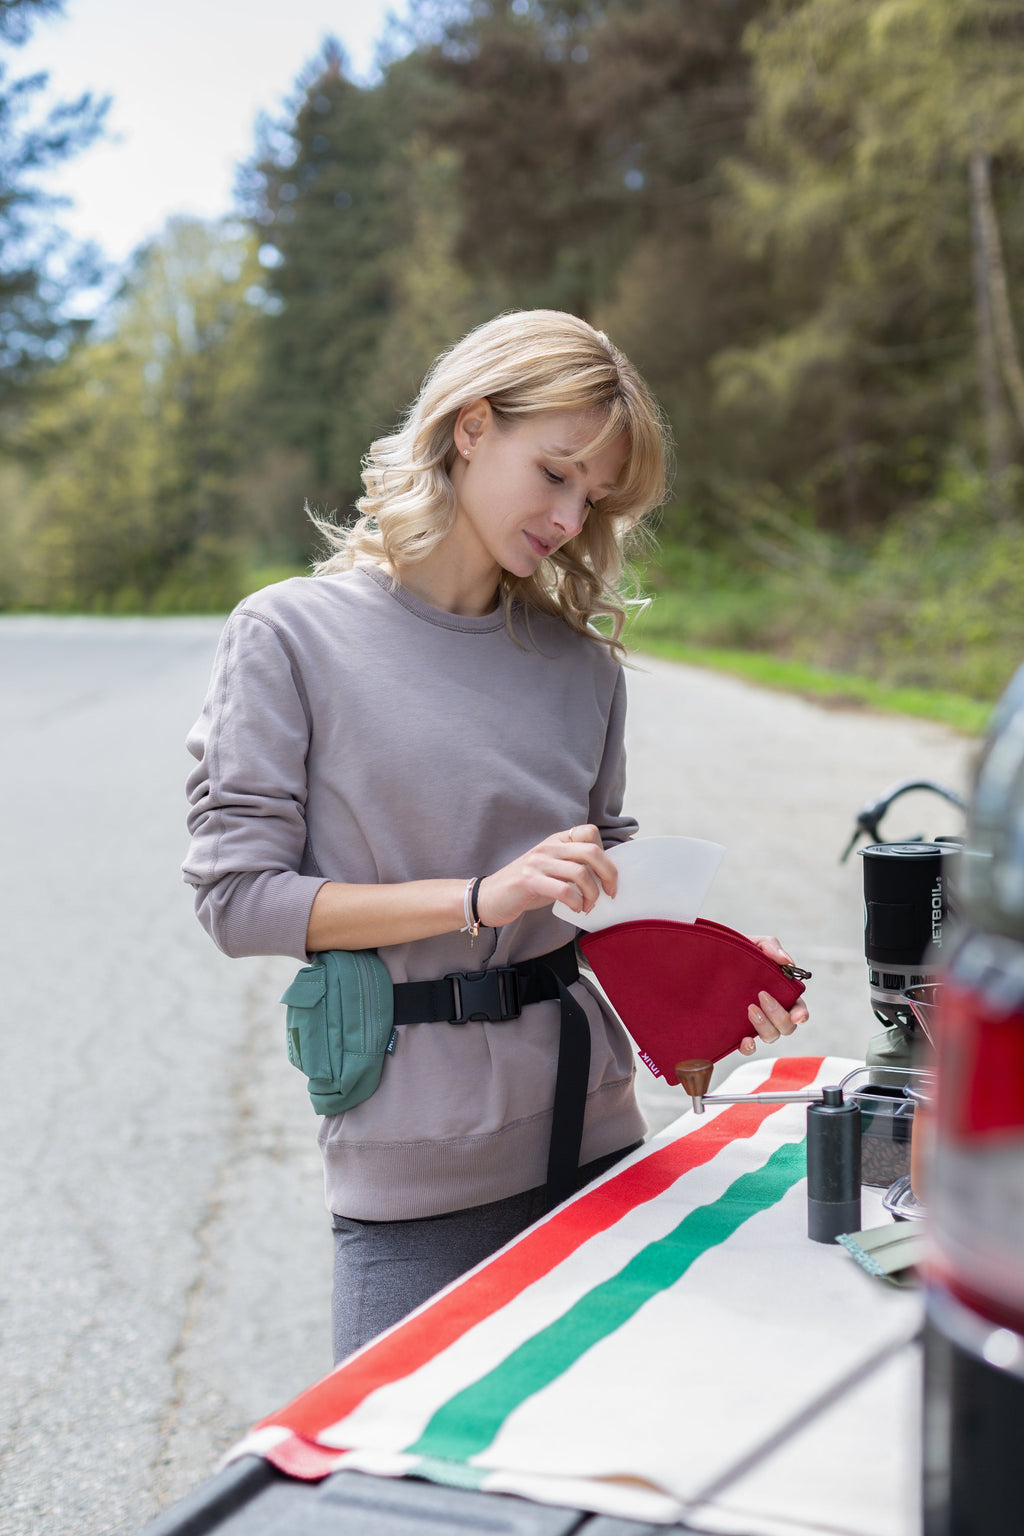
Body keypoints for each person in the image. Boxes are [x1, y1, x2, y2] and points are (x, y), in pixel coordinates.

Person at [182, 309, 808, 1363]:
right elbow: (237, 900)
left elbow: (603, 898)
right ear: (471, 428)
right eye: (554, 472)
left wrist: (711, 981)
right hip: (413, 1167)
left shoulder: (582, 670)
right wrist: (478, 897)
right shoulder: (288, 635)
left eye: (593, 496)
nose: (569, 516)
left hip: (600, 1139)